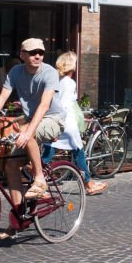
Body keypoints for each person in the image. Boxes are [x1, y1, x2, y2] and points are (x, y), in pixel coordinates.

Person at [0, 38, 67, 238]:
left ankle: (39, 179)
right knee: (10, 165)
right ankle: (19, 218)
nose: (38, 56)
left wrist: (27, 131)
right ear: (22, 55)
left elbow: (44, 105)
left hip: (53, 119)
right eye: (33, 52)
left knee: (28, 131)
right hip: (31, 119)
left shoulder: (49, 73)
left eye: (41, 52)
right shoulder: (16, 72)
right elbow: (1, 98)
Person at [53, 51, 106, 195]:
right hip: (67, 123)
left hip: (58, 121)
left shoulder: (58, 80)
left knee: (49, 148)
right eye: (75, 62)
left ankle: (35, 173)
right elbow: (64, 105)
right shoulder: (69, 83)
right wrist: (62, 123)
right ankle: (88, 184)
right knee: (79, 152)